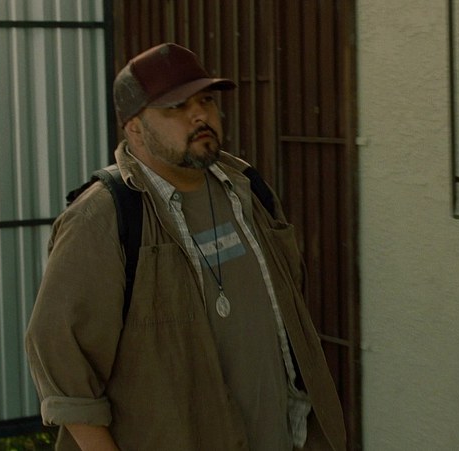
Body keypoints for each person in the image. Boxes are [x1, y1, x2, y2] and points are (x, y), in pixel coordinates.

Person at [25, 42, 347, 451]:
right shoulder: (104, 216)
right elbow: (61, 357)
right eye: (176, 107)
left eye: (206, 100)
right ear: (135, 128)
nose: (200, 115)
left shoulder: (246, 190)